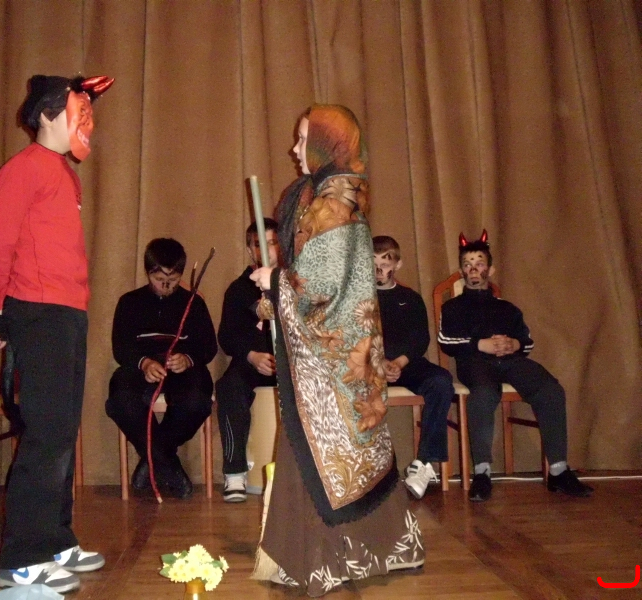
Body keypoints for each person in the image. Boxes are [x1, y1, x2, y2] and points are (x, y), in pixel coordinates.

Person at [249, 105, 424, 596]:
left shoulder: (333, 207)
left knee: (318, 454)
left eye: (303, 139)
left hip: (330, 364)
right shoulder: (331, 199)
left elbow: (321, 284)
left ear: (328, 144)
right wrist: (279, 288)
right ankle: (384, 548)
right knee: (348, 453)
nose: (295, 148)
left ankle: (323, 559)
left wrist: (274, 280)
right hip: (337, 353)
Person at [0, 74, 113, 593]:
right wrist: (2, 311)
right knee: (44, 434)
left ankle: (56, 540)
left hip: (67, 313)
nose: (87, 122)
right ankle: (23, 557)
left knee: (61, 430)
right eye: (79, 110)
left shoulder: (62, 173)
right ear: (46, 114)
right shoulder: (23, 169)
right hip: (38, 313)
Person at [438, 230, 593, 502]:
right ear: (462, 271)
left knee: (551, 390)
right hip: (475, 362)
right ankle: (482, 472)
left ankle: (558, 470)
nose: (473, 269)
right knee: (483, 394)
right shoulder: (452, 307)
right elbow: (446, 341)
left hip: (510, 362)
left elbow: (527, 341)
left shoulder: (508, 308)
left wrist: (514, 344)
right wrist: (480, 344)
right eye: (467, 264)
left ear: (490, 270)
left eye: (479, 263)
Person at [106, 238, 217, 499]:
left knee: (197, 400)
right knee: (120, 398)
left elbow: (208, 346)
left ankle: (153, 460)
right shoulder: (129, 302)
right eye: (159, 279)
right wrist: (144, 362)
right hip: (142, 366)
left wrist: (187, 358)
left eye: (173, 279)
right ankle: (167, 464)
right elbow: (121, 347)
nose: (166, 286)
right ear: (148, 272)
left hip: (182, 368)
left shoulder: (193, 303)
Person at [373, 235, 455, 499]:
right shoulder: (359, 298)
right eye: (373, 263)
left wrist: (398, 362)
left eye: (385, 264)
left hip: (406, 364)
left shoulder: (410, 298)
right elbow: (353, 339)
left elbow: (420, 339)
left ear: (397, 265)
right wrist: (379, 362)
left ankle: (424, 464)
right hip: (370, 366)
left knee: (440, 381)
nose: (379, 270)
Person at [216, 218, 280, 503]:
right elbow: (227, 336)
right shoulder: (238, 289)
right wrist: (252, 356)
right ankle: (235, 472)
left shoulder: (295, 284)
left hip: (292, 365)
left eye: (272, 243)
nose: (265, 250)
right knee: (229, 386)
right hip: (251, 363)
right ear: (249, 249)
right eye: (258, 244)